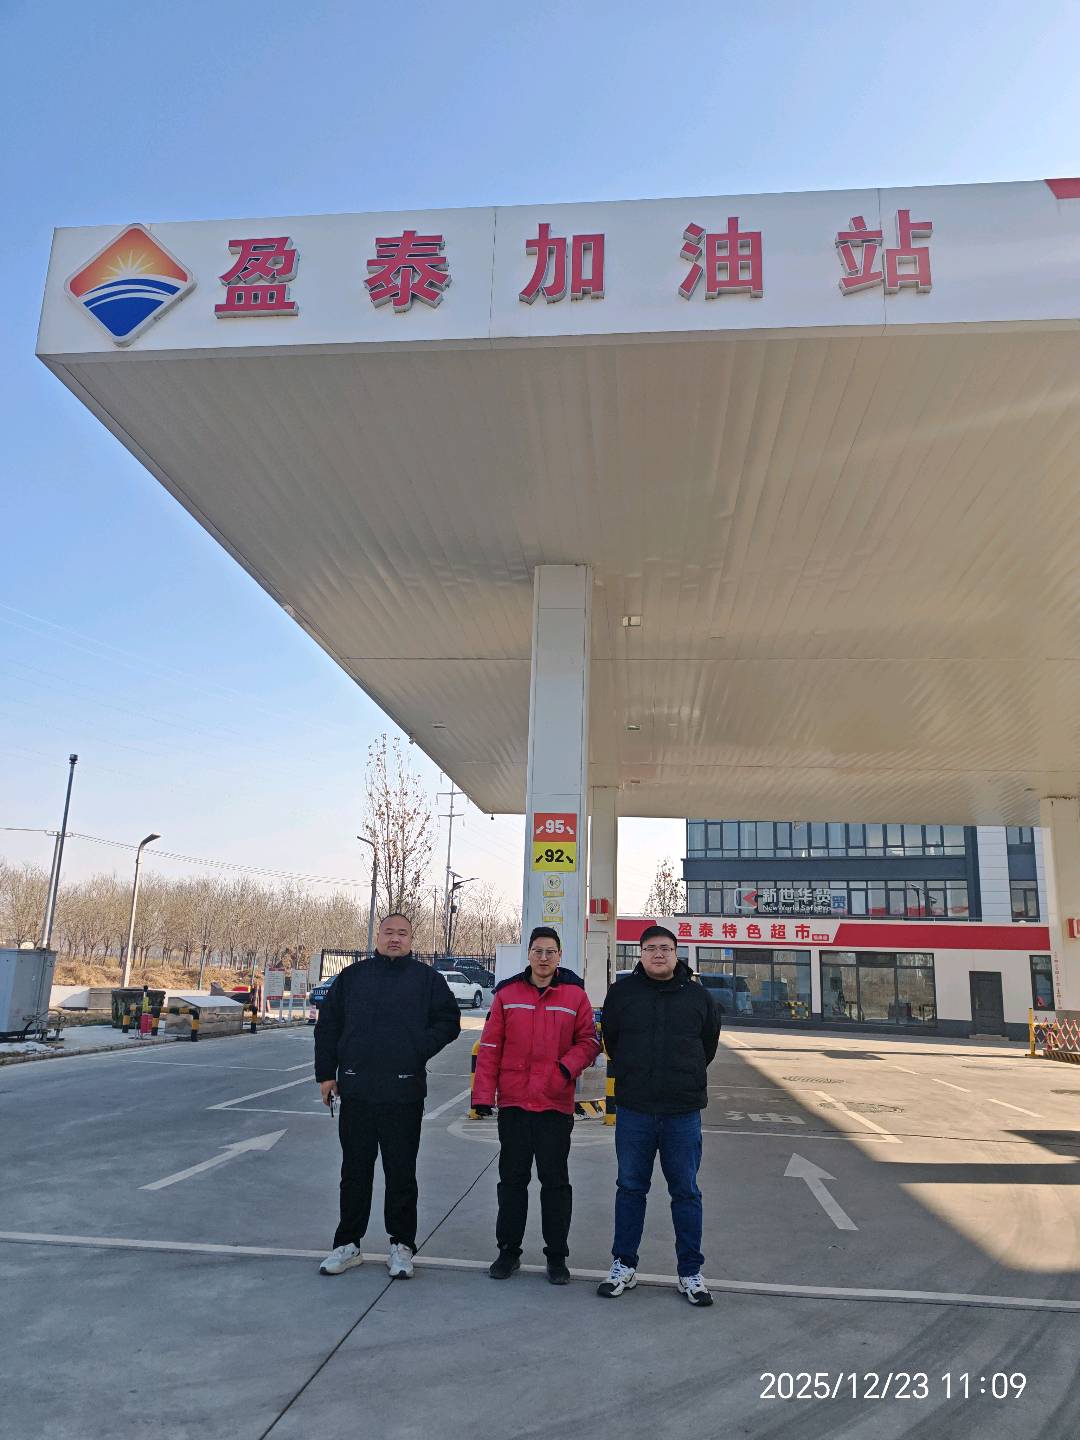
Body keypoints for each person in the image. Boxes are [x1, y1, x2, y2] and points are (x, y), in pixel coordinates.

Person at [314, 913, 461, 1279]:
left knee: (401, 1174)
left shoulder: (426, 980)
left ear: (412, 939)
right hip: (357, 1092)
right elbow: (328, 1025)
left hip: (403, 1094)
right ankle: (348, 1244)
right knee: (354, 1172)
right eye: (389, 932)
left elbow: (449, 1021)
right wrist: (326, 1075)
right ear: (378, 936)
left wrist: (418, 1047)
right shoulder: (353, 977)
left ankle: (402, 1246)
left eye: (403, 933)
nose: (395, 939)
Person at [597, 925, 720, 1306]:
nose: (658, 954)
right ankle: (624, 1265)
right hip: (635, 1110)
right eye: (651, 948)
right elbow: (611, 1041)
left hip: (682, 1112)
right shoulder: (622, 994)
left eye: (665, 948)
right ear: (641, 953)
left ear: (676, 952)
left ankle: (690, 1272)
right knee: (630, 1188)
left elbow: (708, 1045)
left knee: (686, 1191)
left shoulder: (698, 997)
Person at [472, 926, 600, 1284]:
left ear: (559, 956)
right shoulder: (507, 994)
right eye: (538, 951)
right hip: (514, 1105)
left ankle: (556, 1257)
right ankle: (508, 1252)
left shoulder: (575, 995)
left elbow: (590, 1042)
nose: (543, 958)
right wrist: (483, 1096)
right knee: (512, 1182)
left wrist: (564, 1070)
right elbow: (490, 1048)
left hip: (554, 1106)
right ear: (528, 954)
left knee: (555, 1183)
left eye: (550, 952)